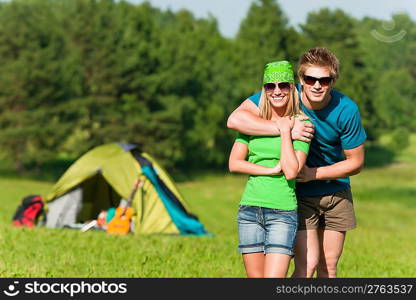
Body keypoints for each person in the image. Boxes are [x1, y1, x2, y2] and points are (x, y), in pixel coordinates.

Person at [227, 47, 366, 278]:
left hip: (336, 189)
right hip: (300, 193)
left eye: (324, 80)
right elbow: (235, 119)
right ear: (301, 80)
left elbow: (356, 162)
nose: (317, 85)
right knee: (308, 265)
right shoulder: (284, 94)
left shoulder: (347, 109)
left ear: (333, 81)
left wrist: (313, 173)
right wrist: (285, 128)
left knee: (328, 266)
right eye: (310, 79)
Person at [228, 61, 310, 278]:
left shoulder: (302, 125)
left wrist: (285, 131)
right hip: (249, 210)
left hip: (282, 212)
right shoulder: (252, 124)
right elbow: (234, 163)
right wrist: (269, 170)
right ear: (264, 90)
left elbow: (292, 171)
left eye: (283, 85)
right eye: (270, 86)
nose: (276, 91)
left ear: (292, 88)